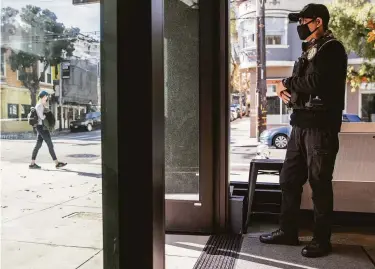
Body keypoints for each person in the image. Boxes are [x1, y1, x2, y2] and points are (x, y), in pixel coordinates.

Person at [259, 4, 347, 258]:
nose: (299, 26)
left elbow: (316, 82)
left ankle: (322, 240)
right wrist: (289, 96)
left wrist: (285, 82)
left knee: (319, 184)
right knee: (289, 179)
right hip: (300, 125)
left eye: (303, 21)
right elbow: (306, 86)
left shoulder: (332, 48)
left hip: (320, 128)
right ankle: (288, 231)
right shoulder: (309, 49)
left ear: (318, 21)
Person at [29, 90, 67, 169]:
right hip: (42, 128)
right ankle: (57, 163)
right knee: (50, 145)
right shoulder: (39, 105)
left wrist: (46, 109)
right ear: (43, 96)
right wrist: (47, 115)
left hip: (41, 127)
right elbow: (42, 117)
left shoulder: (41, 105)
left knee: (38, 145)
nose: (47, 98)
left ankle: (32, 164)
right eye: (46, 96)